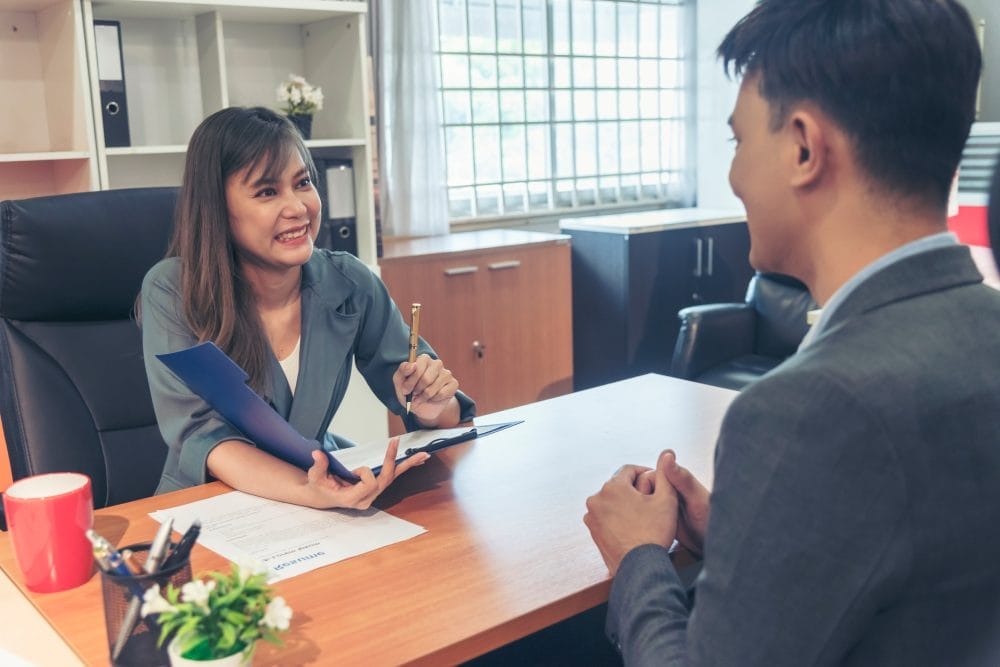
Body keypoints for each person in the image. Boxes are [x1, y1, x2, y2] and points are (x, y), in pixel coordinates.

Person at [584, 0, 1000, 664]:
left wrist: (638, 556)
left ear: (803, 147)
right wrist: (743, 534)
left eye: (739, 141)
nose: (734, 177)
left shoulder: (807, 410)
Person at [141, 106, 475, 510]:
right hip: (212, 504)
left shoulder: (349, 283)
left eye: (303, 183)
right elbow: (204, 437)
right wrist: (307, 491)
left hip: (320, 496)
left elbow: (436, 410)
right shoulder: (174, 290)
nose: (298, 207)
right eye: (267, 192)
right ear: (216, 207)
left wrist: (433, 408)